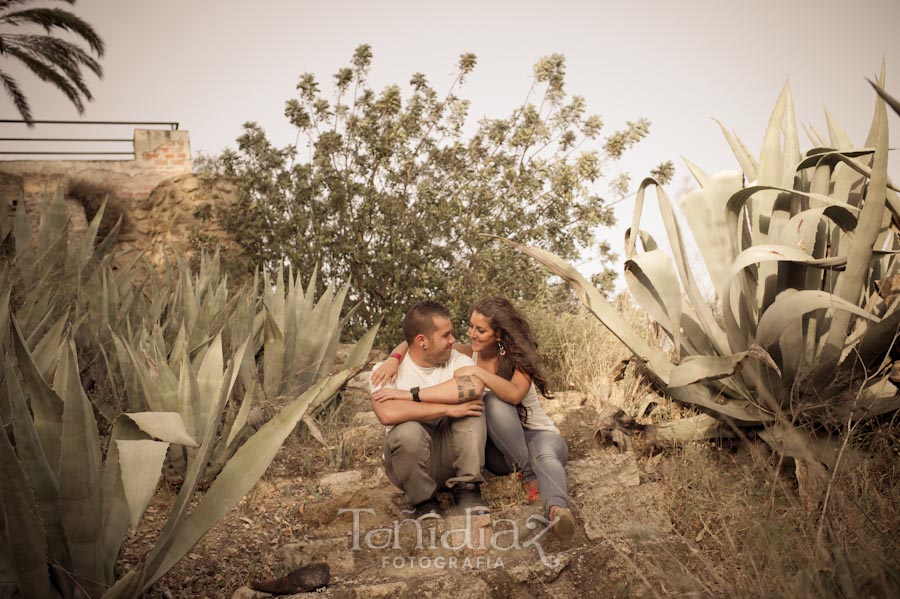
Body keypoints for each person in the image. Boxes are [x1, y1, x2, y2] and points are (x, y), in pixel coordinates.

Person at [372, 297, 575, 544]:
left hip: (534, 433)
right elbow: (415, 338)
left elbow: (512, 394)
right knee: (474, 409)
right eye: (470, 327)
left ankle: (555, 510)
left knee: (523, 435)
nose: (470, 335)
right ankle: (520, 474)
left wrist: (412, 394)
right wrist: (394, 357)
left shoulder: (517, 359)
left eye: (480, 330)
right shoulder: (467, 352)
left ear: (499, 335)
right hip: (499, 448)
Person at [369, 300, 489, 520]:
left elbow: (475, 386)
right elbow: (387, 414)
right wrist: (448, 409)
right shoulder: (384, 372)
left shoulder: (456, 359)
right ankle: (424, 502)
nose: (453, 340)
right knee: (407, 431)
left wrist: (412, 395)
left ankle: (468, 489)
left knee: (471, 410)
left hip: (451, 457)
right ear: (422, 341)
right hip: (410, 466)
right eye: (446, 335)